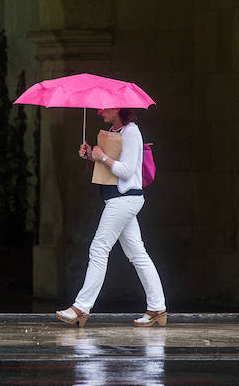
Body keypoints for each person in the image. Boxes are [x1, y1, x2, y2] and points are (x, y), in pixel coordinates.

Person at [55, 107, 167, 328]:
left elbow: (126, 171)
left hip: (124, 199)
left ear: (117, 108)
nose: (99, 111)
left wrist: (102, 156)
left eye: (104, 107)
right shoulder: (114, 131)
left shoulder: (131, 132)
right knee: (137, 253)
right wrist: (91, 155)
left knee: (99, 248)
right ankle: (157, 307)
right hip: (117, 199)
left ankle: (80, 307)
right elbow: (111, 167)